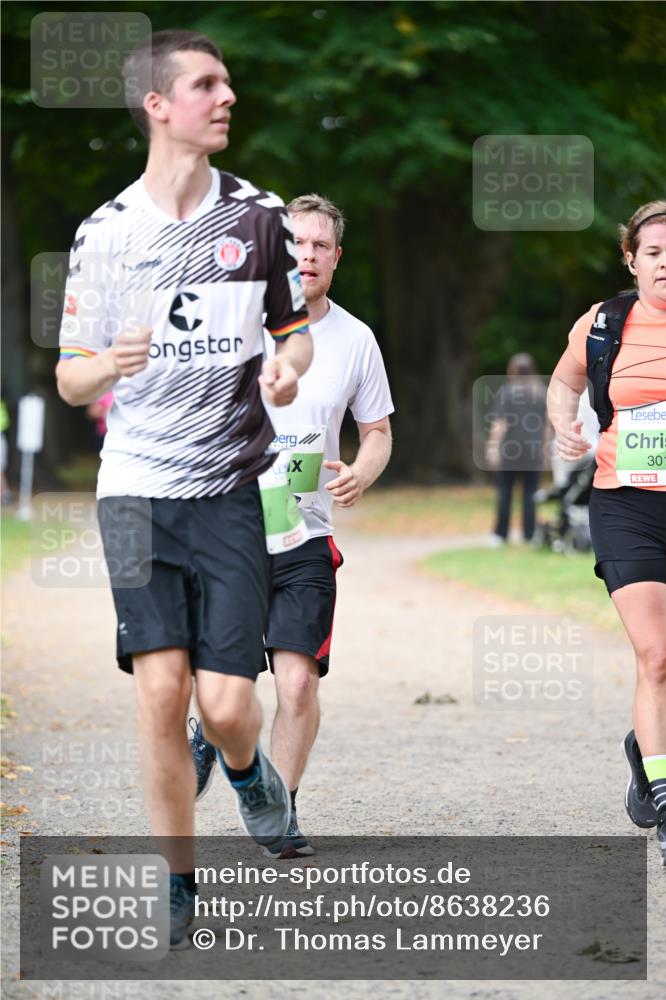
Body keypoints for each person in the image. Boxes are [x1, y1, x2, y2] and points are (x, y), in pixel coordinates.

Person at [55, 29, 313, 946]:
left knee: (228, 705)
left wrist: (285, 368)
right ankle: (178, 884)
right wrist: (105, 365)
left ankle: (249, 775)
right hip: (130, 490)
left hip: (228, 487)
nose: (227, 96)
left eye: (229, 82)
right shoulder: (106, 232)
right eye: (207, 84)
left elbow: (294, 331)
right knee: (159, 693)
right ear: (158, 105)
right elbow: (71, 379)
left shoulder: (258, 214)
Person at [189, 193, 394, 858]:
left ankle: (280, 810)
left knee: (298, 680)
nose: (306, 255)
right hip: (232, 528)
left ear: (335, 257)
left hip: (304, 532)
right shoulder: (233, 323)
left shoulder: (355, 338)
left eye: (319, 246)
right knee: (229, 681)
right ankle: (210, 730)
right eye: (295, 244)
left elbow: (377, 431)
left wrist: (362, 471)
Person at [547, 200, 666, 865]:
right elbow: (563, 384)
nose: (665, 263)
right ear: (630, 259)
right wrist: (562, 421)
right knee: (655, 655)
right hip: (626, 503)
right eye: (652, 252)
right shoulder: (603, 324)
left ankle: (643, 750)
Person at [486, 353, 548, 544]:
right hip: (533, 450)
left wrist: (493, 447)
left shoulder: (509, 391)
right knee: (530, 494)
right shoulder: (541, 391)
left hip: (511, 450)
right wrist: (546, 450)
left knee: (505, 492)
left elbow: (500, 423)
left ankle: (500, 534)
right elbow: (548, 424)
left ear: (514, 371)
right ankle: (529, 534)